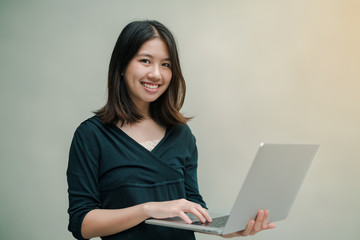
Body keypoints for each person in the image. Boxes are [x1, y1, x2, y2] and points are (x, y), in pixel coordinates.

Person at [66, 20, 276, 240]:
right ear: (121, 66)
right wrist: (147, 210)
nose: (157, 74)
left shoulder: (181, 135)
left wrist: (231, 229)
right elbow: (82, 223)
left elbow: (192, 207)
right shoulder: (91, 136)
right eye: (145, 61)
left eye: (166, 64)